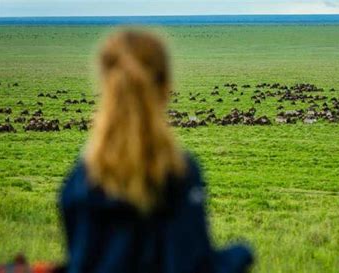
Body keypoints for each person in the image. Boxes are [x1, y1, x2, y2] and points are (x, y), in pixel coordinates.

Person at [59, 30, 254, 273]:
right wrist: (242, 254)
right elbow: (190, 266)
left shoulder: (78, 181)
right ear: (166, 88)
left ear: (105, 87)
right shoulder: (180, 174)